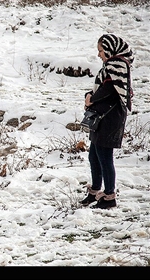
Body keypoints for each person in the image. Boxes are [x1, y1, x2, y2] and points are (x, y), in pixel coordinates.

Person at [80, 34, 134, 209]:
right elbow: (102, 88)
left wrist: (91, 99)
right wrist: (90, 96)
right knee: (94, 155)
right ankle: (95, 191)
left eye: (101, 51)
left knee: (104, 157)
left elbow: (108, 89)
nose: (99, 55)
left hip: (110, 119)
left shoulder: (118, 65)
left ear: (111, 49)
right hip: (103, 117)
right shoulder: (111, 66)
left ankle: (109, 197)